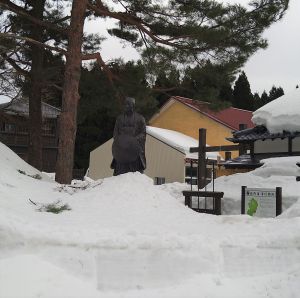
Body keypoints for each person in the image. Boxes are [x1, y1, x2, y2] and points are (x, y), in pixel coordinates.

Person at [110, 97, 146, 175]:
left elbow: (143, 133)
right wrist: (119, 141)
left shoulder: (140, 118)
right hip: (122, 148)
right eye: (125, 104)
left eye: (128, 104)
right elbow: (115, 132)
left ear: (132, 106)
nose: (126, 106)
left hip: (134, 148)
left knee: (134, 172)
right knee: (119, 172)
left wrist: (134, 140)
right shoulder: (119, 118)